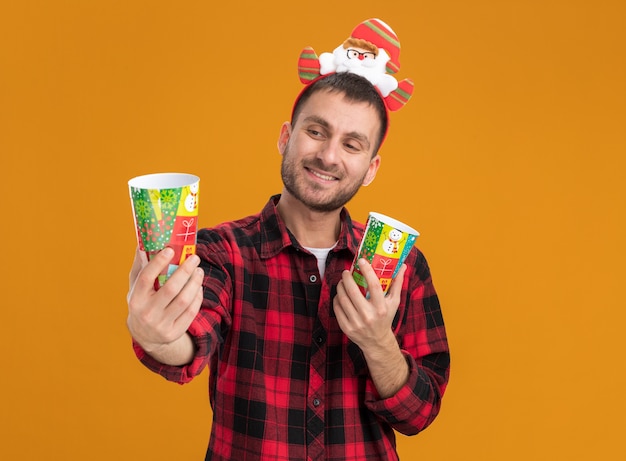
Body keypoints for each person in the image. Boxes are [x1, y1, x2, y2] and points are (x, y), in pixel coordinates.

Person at [127, 18, 450, 461]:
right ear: (286, 138)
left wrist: (378, 343)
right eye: (316, 132)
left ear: (371, 168)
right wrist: (157, 335)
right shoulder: (221, 252)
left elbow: (420, 413)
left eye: (352, 145)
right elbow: (189, 343)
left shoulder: (402, 267)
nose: (328, 155)